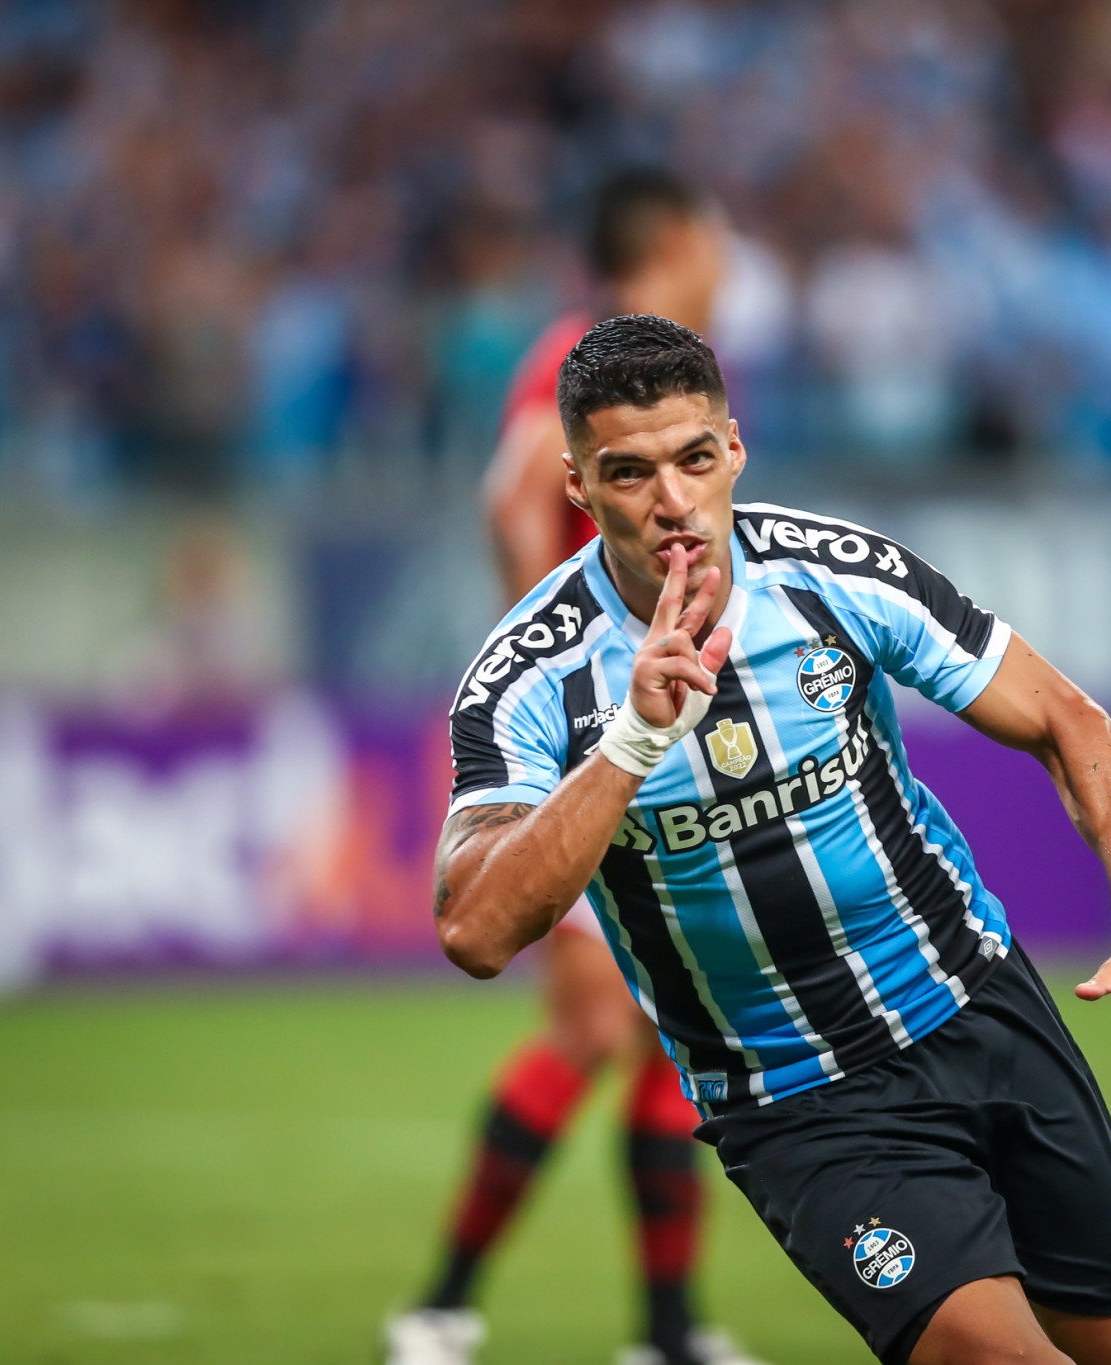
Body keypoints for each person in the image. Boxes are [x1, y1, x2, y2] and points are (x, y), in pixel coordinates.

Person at [435, 312, 1111, 1365]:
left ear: (734, 450)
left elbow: (1064, 721)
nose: (671, 503)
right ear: (576, 486)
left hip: (976, 1004)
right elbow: (476, 929)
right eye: (628, 474)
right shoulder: (528, 676)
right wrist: (630, 741)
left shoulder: (832, 574)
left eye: (693, 460)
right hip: (795, 1092)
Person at [387, 170, 747, 1365]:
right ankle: (438, 1304)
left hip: (659, 724)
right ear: (682, 240)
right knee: (591, 1028)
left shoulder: (642, 365)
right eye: (718, 240)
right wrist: (540, 651)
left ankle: (665, 1330)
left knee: (662, 1037)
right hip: (593, 734)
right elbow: (507, 494)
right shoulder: (585, 363)